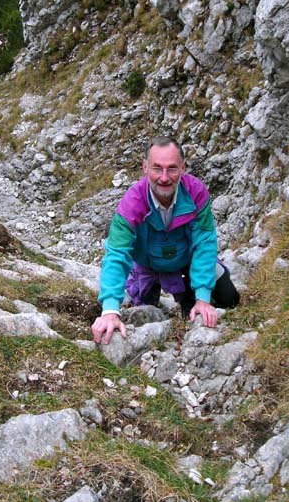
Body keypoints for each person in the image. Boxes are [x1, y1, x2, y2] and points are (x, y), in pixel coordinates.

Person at [92, 136, 239, 345]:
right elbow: (117, 252)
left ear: (183, 168)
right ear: (144, 167)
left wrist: (203, 299)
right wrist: (109, 311)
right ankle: (145, 285)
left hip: (186, 262)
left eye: (172, 168)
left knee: (229, 298)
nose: (163, 177)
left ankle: (190, 293)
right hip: (147, 265)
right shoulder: (132, 202)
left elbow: (204, 243)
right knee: (144, 310)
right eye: (156, 168)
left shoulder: (196, 193)